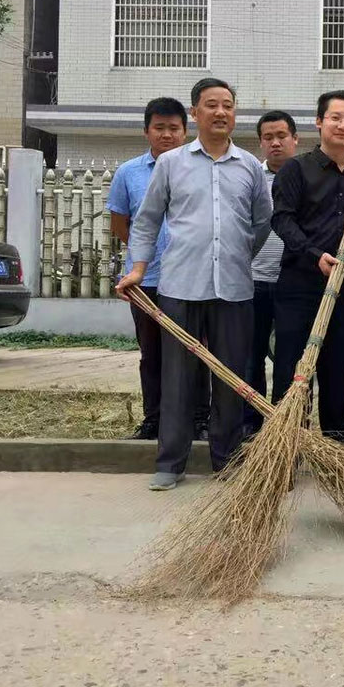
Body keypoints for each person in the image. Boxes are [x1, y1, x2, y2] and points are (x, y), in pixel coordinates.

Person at [116, 78, 272, 491]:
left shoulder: (250, 167)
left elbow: (262, 222)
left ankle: (227, 459)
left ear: (234, 113)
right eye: (211, 105)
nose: (221, 112)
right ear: (195, 113)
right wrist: (137, 268)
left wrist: (239, 255)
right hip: (180, 285)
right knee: (178, 377)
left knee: (231, 377)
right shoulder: (172, 163)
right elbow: (146, 220)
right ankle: (171, 462)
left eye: (228, 105)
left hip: (235, 289)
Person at [270, 91, 344, 445]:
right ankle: (287, 446)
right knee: (292, 369)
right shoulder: (295, 169)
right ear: (319, 122)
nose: (343, 125)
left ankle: (337, 449)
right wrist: (314, 254)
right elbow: (282, 221)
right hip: (301, 285)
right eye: (336, 117)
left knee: (337, 369)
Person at [107, 97, 210, 442]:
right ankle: (155, 418)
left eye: (174, 128)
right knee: (152, 353)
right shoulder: (128, 173)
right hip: (147, 279)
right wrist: (144, 255)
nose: (167, 135)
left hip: (193, 279)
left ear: (185, 130)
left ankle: (199, 418)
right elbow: (121, 225)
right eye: (159, 128)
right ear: (147, 131)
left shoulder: (199, 168)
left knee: (196, 350)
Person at [240, 109, 298, 437]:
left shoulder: (307, 176)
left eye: (281, 137)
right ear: (261, 142)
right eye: (268, 138)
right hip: (253, 281)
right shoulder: (251, 177)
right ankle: (251, 423)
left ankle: (288, 426)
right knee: (251, 357)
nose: (275, 143)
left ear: (295, 139)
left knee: (293, 361)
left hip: (294, 283)